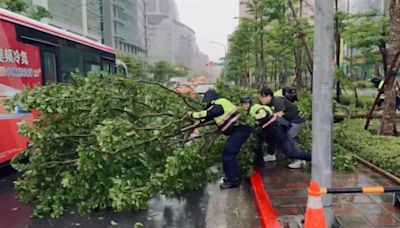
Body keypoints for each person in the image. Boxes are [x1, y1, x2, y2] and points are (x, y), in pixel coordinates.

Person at [188, 89, 252, 189]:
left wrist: (193, 114)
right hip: (239, 130)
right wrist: (199, 122)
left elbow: (213, 112)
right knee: (227, 154)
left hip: (240, 130)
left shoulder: (219, 103)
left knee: (228, 154)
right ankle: (232, 177)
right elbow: (210, 116)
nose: (206, 104)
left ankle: (233, 180)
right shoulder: (219, 105)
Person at [240, 96, 311, 168]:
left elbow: (264, 113)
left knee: (290, 153)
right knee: (265, 140)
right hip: (275, 130)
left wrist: (257, 120)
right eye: (243, 104)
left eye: (246, 103)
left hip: (278, 131)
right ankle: (270, 155)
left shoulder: (254, 108)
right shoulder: (255, 108)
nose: (245, 105)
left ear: (250, 103)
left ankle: (312, 157)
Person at [259, 87, 306, 168]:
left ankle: (299, 160)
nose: (261, 99)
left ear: (268, 96)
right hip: (287, 123)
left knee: (289, 138)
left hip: (296, 121)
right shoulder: (268, 104)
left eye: (262, 97)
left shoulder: (277, 101)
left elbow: (280, 114)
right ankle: (271, 154)